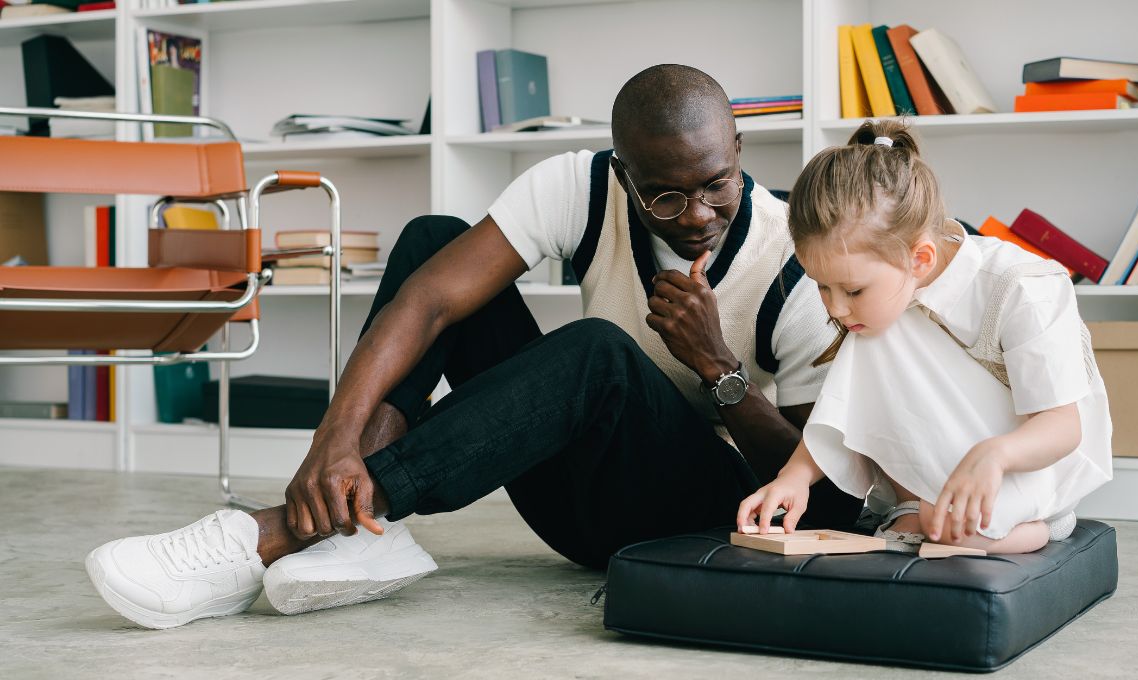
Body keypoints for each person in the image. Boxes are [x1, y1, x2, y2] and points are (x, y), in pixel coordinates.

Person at [84, 64, 863, 629]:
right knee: (434, 243)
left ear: (738, 148)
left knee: (597, 354)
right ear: (623, 173)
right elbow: (426, 302)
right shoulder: (580, 188)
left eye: (716, 183)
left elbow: (823, 505)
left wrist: (719, 370)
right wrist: (333, 440)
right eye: (665, 193)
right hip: (572, 503)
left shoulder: (795, 266)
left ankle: (276, 533)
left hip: (694, 518)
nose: (696, 214)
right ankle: (358, 526)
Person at [737, 120, 1113, 554]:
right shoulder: (879, 299)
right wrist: (794, 477)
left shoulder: (1023, 286)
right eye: (823, 286)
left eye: (852, 289)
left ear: (921, 258)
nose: (835, 308)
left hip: (1030, 460)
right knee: (873, 327)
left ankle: (1047, 522)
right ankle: (916, 501)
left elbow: (1064, 427)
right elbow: (842, 406)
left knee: (948, 523)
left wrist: (996, 455)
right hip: (946, 469)